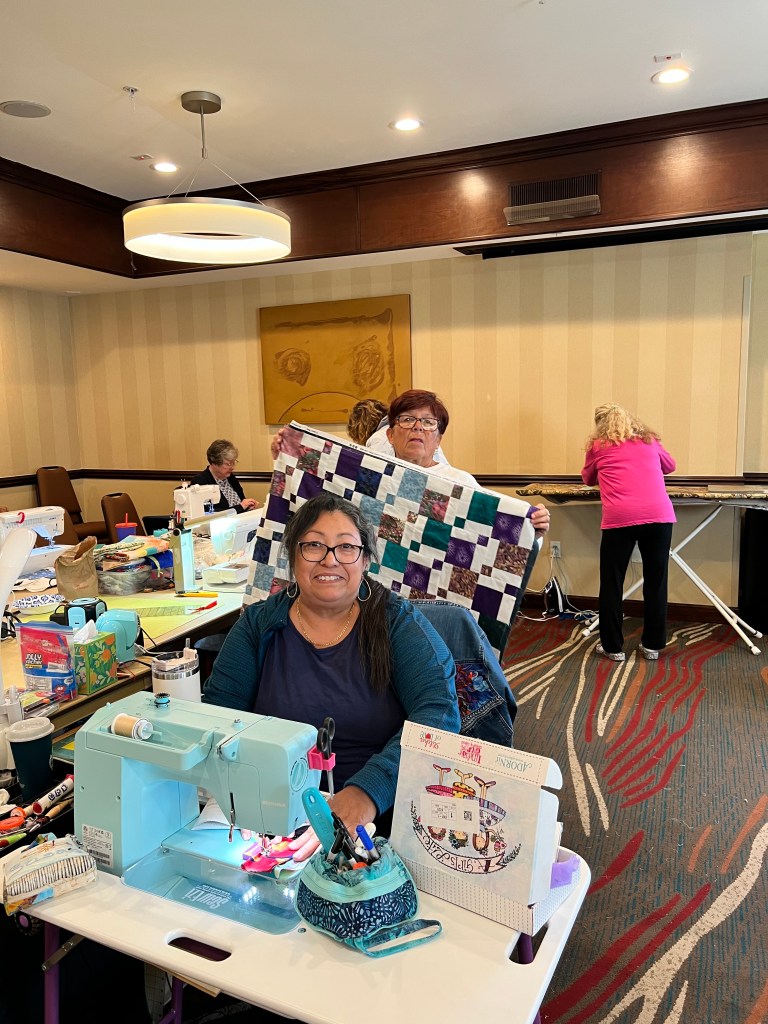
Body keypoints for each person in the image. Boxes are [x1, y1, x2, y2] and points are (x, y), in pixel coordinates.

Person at [202, 492, 460, 860]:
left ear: (365, 560)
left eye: (346, 547)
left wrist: (367, 793)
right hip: (272, 813)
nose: (330, 559)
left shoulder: (397, 623)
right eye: (313, 545)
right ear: (292, 556)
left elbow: (439, 715)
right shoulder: (258, 626)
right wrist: (243, 790)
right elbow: (218, 718)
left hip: (379, 817)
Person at [581, 403, 677, 662]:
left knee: (612, 583)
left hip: (620, 518)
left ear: (600, 425)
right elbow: (670, 466)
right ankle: (653, 646)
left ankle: (612, 647)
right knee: (656, 581)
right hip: (658, 516)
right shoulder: (649, 440)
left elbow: (588, 479)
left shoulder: (597, 446)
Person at [384, 389, 551, 534]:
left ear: (438, 440)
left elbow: (487, 533)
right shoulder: (376, 478)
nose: (418, 426)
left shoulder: (460, 483)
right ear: (390, 435)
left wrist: (531, 526)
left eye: (428, 422)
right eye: (407, 419)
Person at [191, 439, 259, 514]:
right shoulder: (200, 481)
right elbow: (209, 513)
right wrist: (241, 507)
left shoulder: (230, 477)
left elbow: (241, 502)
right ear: (214, 463)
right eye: (228, 464)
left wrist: (248, 506)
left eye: (234, 462)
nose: (232, 467)